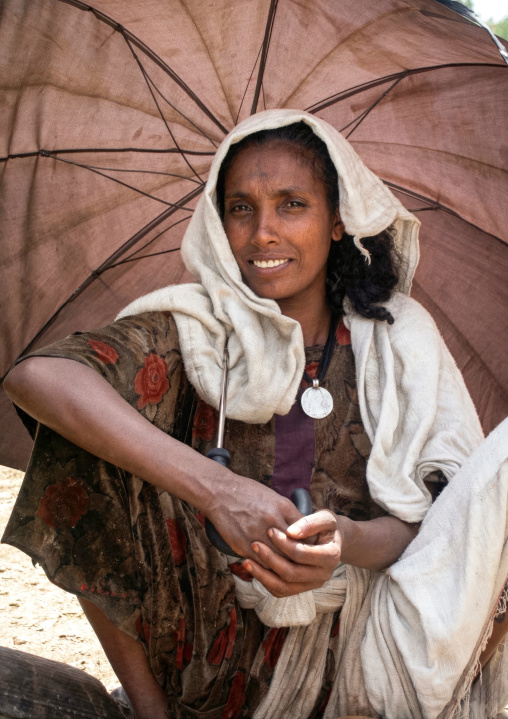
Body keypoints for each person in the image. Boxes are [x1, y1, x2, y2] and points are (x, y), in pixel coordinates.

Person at [3, 109, 508, 719]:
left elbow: (440, 536)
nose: (262, 232)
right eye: (241, 208)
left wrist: (342, 543)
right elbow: (37, 377)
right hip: (209, 655)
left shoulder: (397, 339)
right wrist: (217, 489)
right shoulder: (196, 328)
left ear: (339, 220)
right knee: (85, 433)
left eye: (291, 204)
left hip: (372, 651)